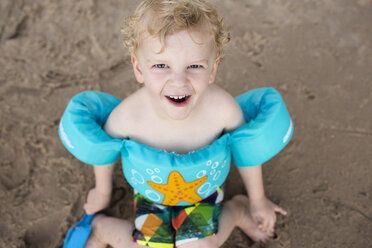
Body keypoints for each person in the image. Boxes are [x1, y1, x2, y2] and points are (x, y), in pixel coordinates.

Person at [71, 0, 288, 247]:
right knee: (151, 246)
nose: (178, 82)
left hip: (203, 191)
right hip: (152, 194)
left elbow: (248, 151)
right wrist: (102, 192)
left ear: (213, 68)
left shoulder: (222, 109)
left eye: (194, 66)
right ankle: (101, 229)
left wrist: (256, 200)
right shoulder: (129, 115)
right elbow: (104, 152)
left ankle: (236, 210)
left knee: (199, 245)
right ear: (138, 68)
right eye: (161, 65)